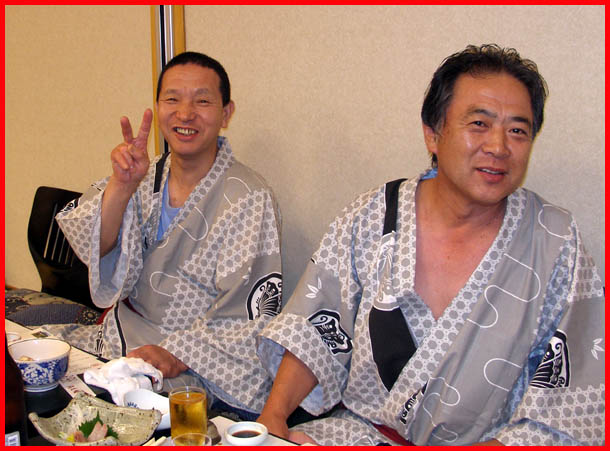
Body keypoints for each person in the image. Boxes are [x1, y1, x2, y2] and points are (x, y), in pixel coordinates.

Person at [255, 44, 605, 445]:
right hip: (363, 434)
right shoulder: (373, 215)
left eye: (517, 131)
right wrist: (273, 418)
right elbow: (315, 328)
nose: (499, 146)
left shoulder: (553, 240)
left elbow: (572, 398)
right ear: (433, 134)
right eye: (479, 124)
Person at [46, 51, 283, 420]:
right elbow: (94, 247)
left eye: (202, 101)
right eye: (172, 99)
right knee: (36, 363)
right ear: (158, 107)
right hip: (123, 334)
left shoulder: (248, 197)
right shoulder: (144, 173)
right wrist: (122, 186)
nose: (185, 114)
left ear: (226, 113)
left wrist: (177, 354)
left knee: (117, 410)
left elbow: (247, 315)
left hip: (198, 360)